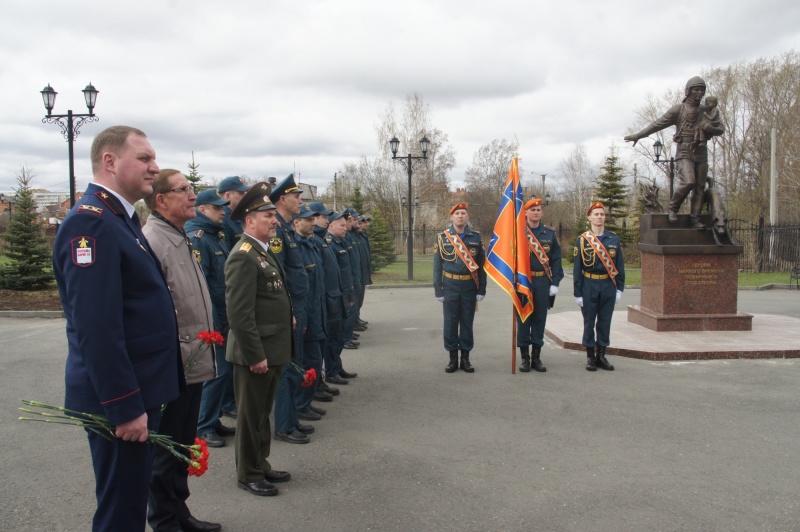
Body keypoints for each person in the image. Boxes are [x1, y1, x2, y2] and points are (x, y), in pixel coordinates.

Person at [52, 125, 183, 532]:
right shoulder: (91, 224)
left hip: (139, 392)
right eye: (144, 158)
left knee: (129, 503)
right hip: (122, 403)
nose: (154, 167)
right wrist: (125, 407)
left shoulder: (119, 218)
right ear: (109, 162)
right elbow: (98, 328)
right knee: (121, 514)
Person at [142, 170, 220, 532]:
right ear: (161, 200)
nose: (193, 195)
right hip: (176, 362)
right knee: (168, 447)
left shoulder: (178, 236)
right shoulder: (154, 241)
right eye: (184, 190)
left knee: (182, 443)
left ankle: (180, 513)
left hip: (194, 356)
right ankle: (164, 520)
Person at [225, 182, 293, 496]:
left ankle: (260, 465)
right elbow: (239, 314)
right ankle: (248, 473)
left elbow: (270, 297)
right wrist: (255, 355)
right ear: (250, 220)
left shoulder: (261, 252)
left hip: (272, 347)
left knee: (262, 415)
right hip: (256, 353)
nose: (274, 220)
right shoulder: (243, 256)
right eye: (268, 215)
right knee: (250, 417)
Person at [624, 76, 724, 228]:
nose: (699, 93)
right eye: (696, 89)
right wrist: (638, 135)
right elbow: (657, 124)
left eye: (702, 90)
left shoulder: (706, 110)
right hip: (684, 151)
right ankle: (673, 207)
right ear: (688, 91)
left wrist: (710, 128)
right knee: (689, 181)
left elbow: (720, 128)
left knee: (699, 187)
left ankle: (695, 219)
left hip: (701, 152)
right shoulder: (679, 109)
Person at [185, 189, 236, 448]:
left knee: (222, 371)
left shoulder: (215, 236)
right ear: (202, 209)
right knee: (215, 373)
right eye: (217, 209)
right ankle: (203, 427)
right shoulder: (199, 238)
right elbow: (202, 286)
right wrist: (214, 325)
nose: (223, 212)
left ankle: (212, 419)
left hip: (223, 316)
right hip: (213, 321)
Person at [268, 174, 311, 444]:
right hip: (290, 308)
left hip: (299, 306)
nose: (300, 201)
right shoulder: (277, 232)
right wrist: (290, 311)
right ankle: (284, 424)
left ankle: (292, 418)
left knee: (295, 365)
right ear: (283, 199)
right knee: (286, 368)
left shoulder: (285, 229)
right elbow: (279, 275)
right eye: (297, 196)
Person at [433, 202, 487, 373]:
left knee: (466, 321)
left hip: (469, 286)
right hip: (450, 285)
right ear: (451, 217)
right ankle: (452, 359)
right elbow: (437, 266)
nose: (460, 216)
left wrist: (482, 289)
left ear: (468, 216)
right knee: (450, 322)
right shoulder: (442, 238)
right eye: (457, 213)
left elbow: (481, 265)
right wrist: (438, 289)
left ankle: (465, 358)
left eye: (463, 213)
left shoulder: (476, 238)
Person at [573, 201, 625, 372]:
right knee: (589, 322)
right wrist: (578, 292)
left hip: (608, 285)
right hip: (589, 284)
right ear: (589, 217)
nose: (599, 217)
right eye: (596, 214)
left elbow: (619, 266)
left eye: (602, 214)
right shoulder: (582, 240)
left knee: (605, 321)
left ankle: (601, 356)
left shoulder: (613, 239)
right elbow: (577, 268)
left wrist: (619, 288)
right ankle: (590, 357)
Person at [517, 198, 564, 373]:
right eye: (532, 209)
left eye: (538, 210)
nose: (536, 212)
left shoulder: (549, 233)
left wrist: (555, 282)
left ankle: (536, 357)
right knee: (523, 319)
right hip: (523, 282)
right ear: (525, 213)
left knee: (539, 319)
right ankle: (524, 358)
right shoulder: (518, 233)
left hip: (543, 282)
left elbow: (556, 260)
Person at [216, 175, 249, 420]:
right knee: (227, 359)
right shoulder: (224, 222)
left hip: (235, 294)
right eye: (241, 193)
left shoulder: (235, 221)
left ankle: (232, 400)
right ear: (228, 195)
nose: (245, 196)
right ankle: (227, 403)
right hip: (228, 295)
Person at [292, 203, 327, 423]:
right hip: (305, 315)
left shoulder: (311, 243)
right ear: (296, 222)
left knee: (314, 360)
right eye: (308, 219)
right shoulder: (295, 247)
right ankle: (299, 405)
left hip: (317, 312)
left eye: (314, 219)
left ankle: (306, 402)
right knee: (304, 363)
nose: (313, 223)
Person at [308, 202, 344, 399]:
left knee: (326, 342)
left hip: (329, 297)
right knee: (317, 347)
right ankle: (316, 385)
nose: (325, 219)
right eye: (323, 216)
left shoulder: (321, 239)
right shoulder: (314, 239)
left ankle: (321, 380)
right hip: (322, 300)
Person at [324, 210, 358, 385]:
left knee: (339, 335)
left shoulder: (341, 242)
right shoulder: (329, 244)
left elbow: (346, 273)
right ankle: (331, 370)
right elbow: (331, 275)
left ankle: (337, 367)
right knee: (334, 337)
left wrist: (350, 294)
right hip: (335, 296)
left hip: (344, 294)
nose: (345, 228)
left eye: (346, 225)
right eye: (341, 225)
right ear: (330, 226)